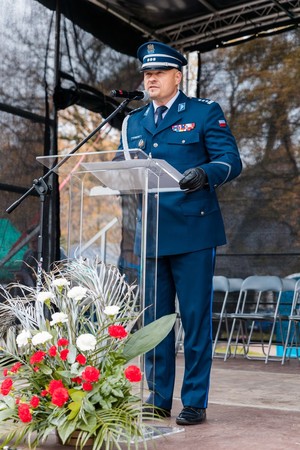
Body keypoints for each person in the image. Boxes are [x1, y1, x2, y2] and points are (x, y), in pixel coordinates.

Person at [118, 41, 242, 425]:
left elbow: (230, 160)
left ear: (177, 75)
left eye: (158, 72)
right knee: (155, 324)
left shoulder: (204, 112)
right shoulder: (132, 122)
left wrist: (207, 172)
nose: (150, 78)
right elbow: (122, 169)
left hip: (193, 233)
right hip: (152, 235)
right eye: (146, 73)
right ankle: (157, 398)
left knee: (194, 322)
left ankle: (194, 401)